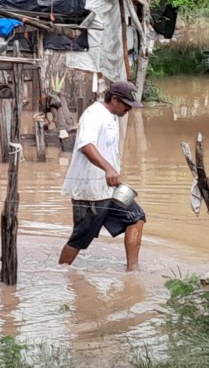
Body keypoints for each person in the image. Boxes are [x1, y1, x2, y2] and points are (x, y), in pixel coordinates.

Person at [58, 80, 146, 271]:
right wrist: (108, 168)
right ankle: (60, 273)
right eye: (126, 105)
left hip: (108, 188)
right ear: (114, 99)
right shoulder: (93, 114)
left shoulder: (113, 115)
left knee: (136, 217)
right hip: (89, 190)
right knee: (81, 237)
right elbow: (86, 146)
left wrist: (113, 171)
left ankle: (133, 270)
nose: (128, 110)